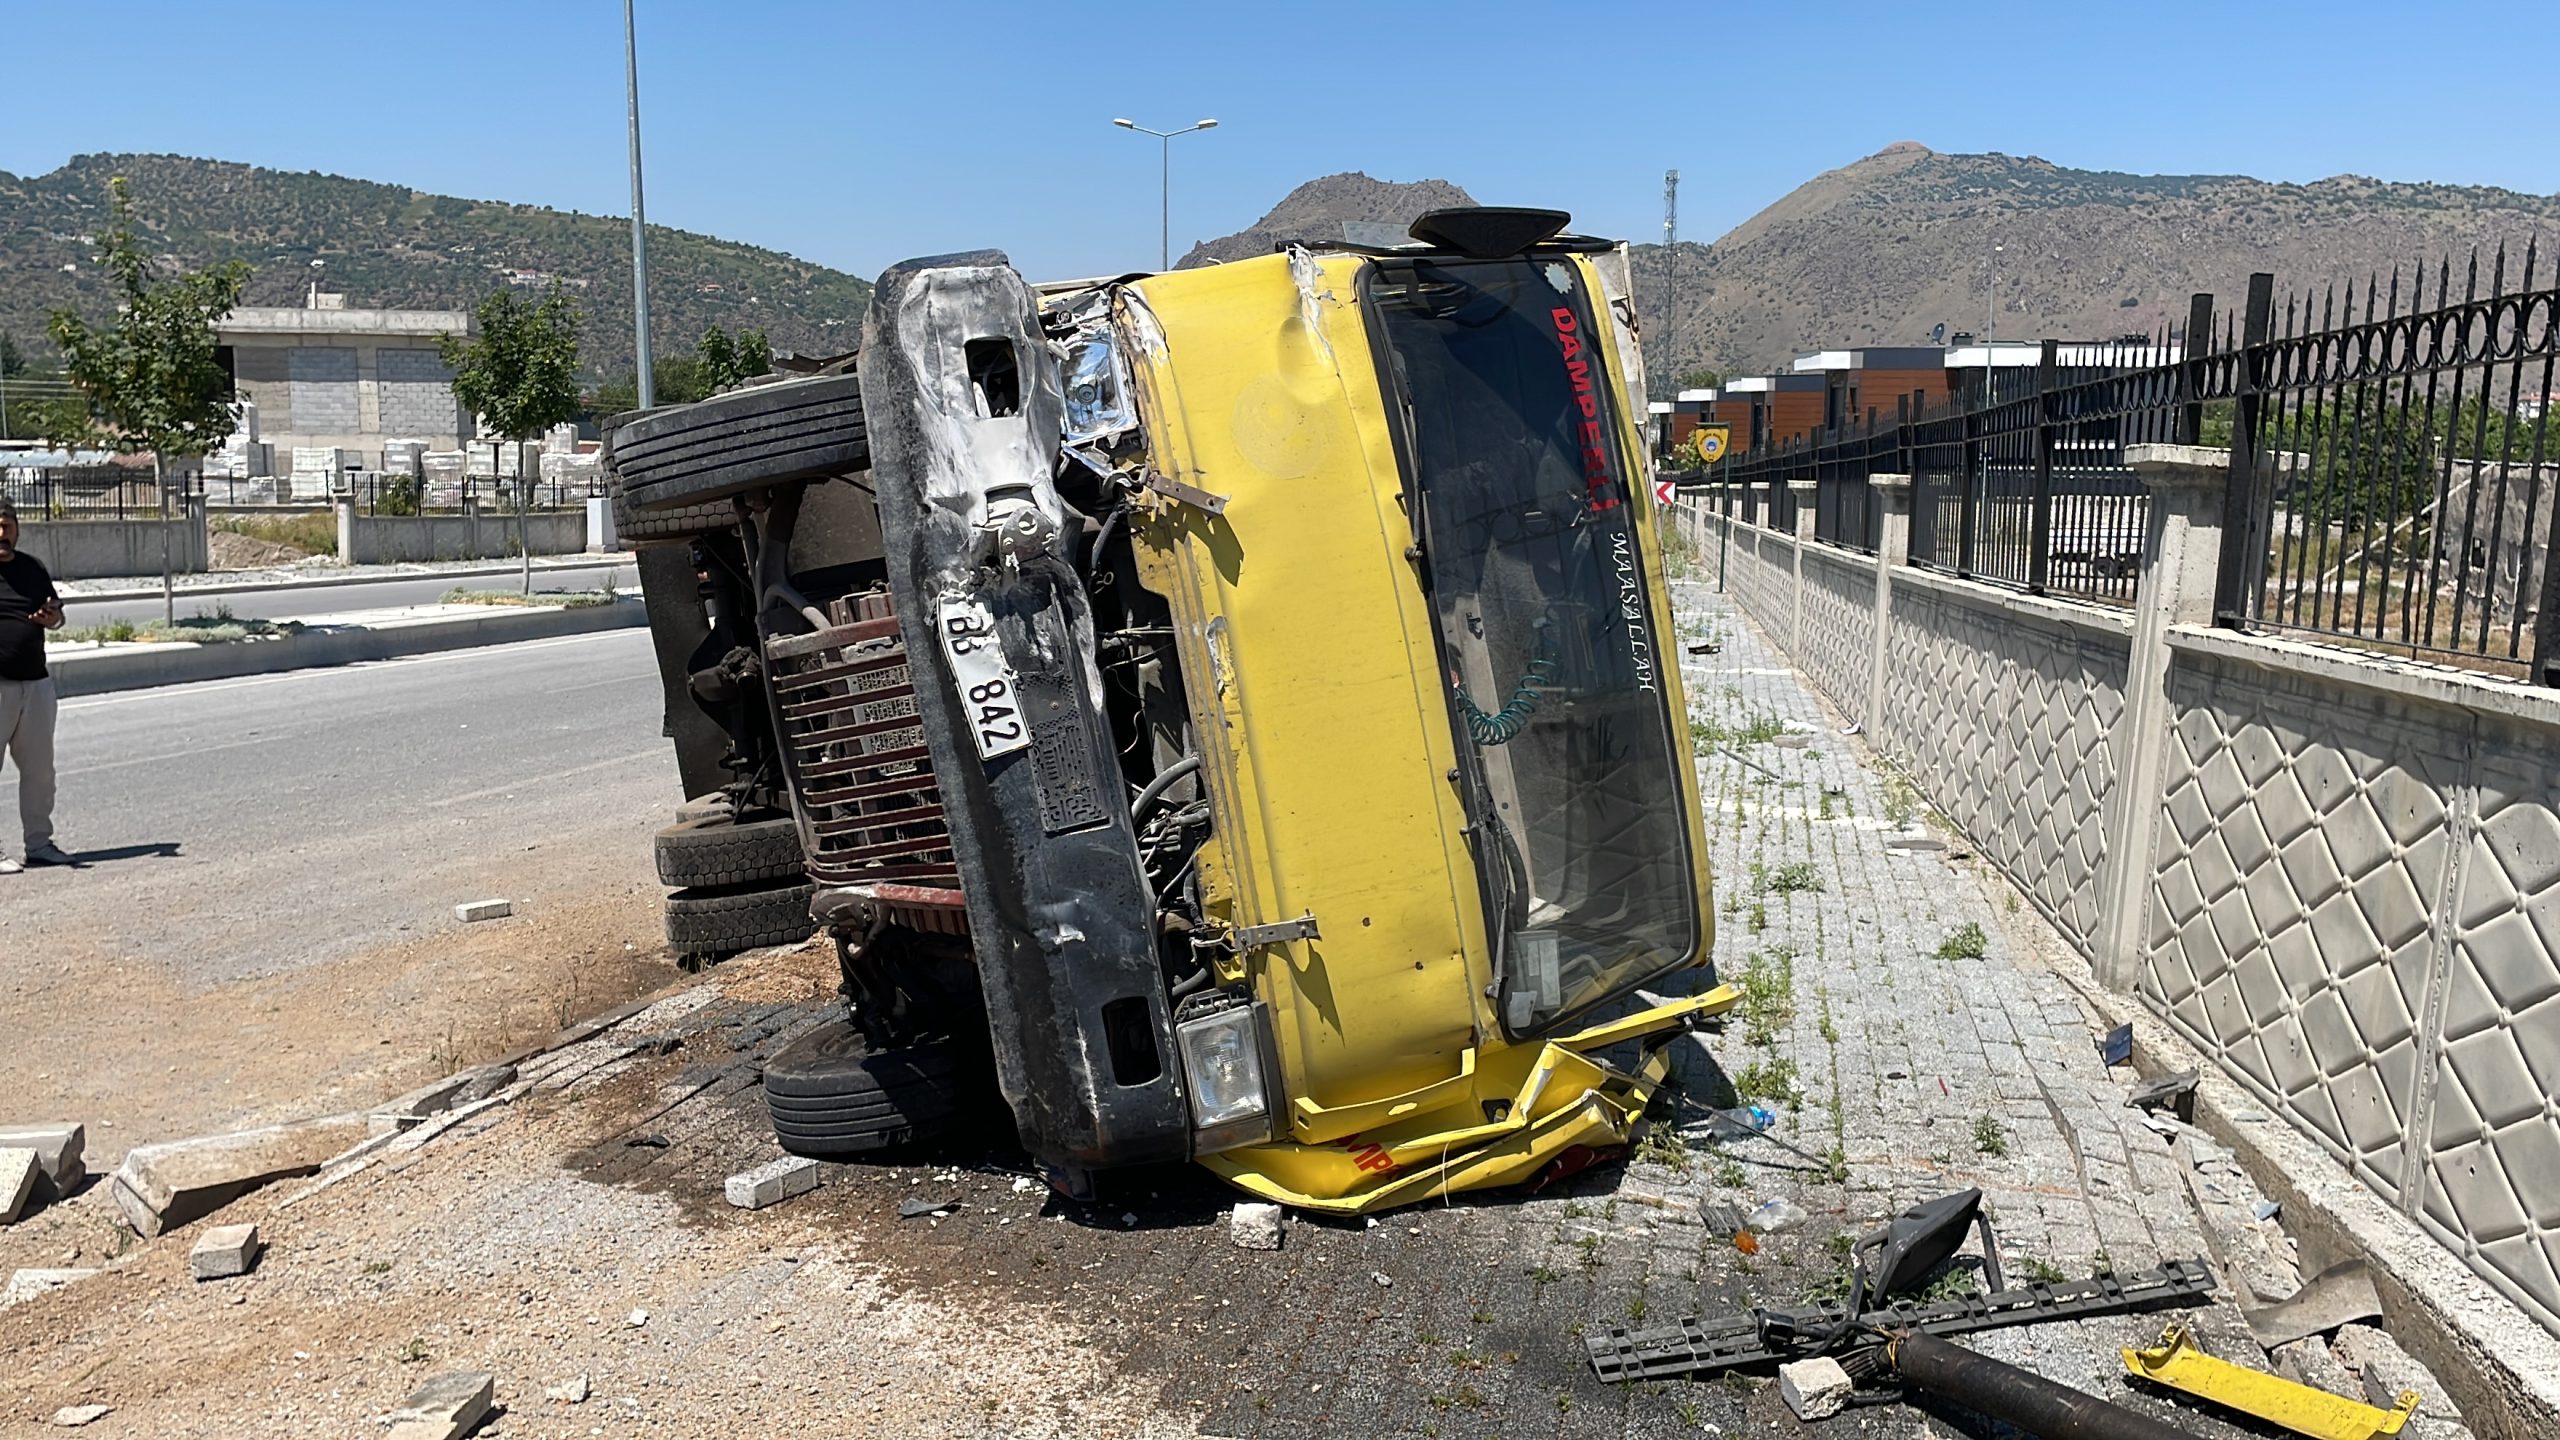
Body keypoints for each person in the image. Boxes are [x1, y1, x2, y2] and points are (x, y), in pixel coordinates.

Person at [0, 496, 69, 873]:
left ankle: (39, 844)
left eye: (8, 526)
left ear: (17, 530)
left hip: (35, 685)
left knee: (41, 772)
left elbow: (58, 618)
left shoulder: (33, 568)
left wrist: (52, 618)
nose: (2, 534)